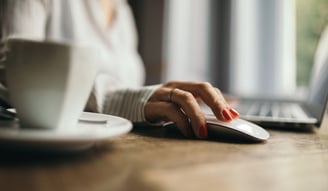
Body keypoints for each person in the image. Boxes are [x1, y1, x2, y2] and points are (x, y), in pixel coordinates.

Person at [0, 0, 239, 139]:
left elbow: (127, 89)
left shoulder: (123, 12)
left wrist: (169, 100)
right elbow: (10, 69)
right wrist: (130, 101)